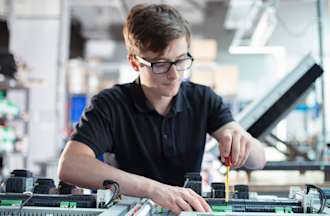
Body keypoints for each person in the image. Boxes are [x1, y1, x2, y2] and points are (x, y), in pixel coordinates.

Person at [58, 3, 266, 214]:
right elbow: (71, 165)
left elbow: (259, 160)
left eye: (181, 60)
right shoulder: (110, 105)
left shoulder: (203, 99)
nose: (175, 74)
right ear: (134, 63)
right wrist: (154, 190)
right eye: (161, 64)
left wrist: (242, 141)